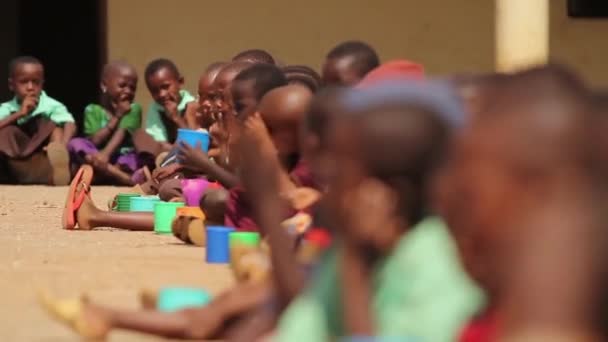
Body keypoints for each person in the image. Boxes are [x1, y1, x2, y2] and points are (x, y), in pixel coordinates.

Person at [275, 81, 481, 341]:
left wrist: (355, 270)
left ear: (385, 196)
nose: (325, 180)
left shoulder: (439, 269)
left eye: (338, 172)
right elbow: (299, 332)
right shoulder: (349, 248)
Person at [0, 56, 76, 185]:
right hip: (17, 154)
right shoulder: (7, 108)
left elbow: (70, 123)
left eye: (36, 82)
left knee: (56, 128)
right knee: (6, 130)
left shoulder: (51, 105)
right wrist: (19, 113)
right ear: (11, 85)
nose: (30, 87)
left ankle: (57, 164)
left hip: (43, 153)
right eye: (24, 82)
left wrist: (63, 144)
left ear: (42, 83)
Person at [67, 61, 142, 185]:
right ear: (104, 85)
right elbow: (95, 141)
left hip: (119, 157)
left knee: (133, 158)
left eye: (132, 88)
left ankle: (99, 174)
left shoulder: (134, 109)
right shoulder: (92, 110)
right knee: (75, 143)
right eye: (122, 85)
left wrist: (105, 154)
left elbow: (122, 132)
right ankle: (116, 175)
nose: (128, 91)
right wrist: (117, 116)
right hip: (96, 155)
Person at [132, 58, 197, 158]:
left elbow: (194, 143)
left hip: (192, 155)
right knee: (139, 136)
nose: (161, 94)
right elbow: (160, 143)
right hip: (167, 154)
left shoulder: (192, 105)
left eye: (166, 87)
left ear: (180, 82)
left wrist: (176, 118)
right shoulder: (155, 109)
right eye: (154, 91)